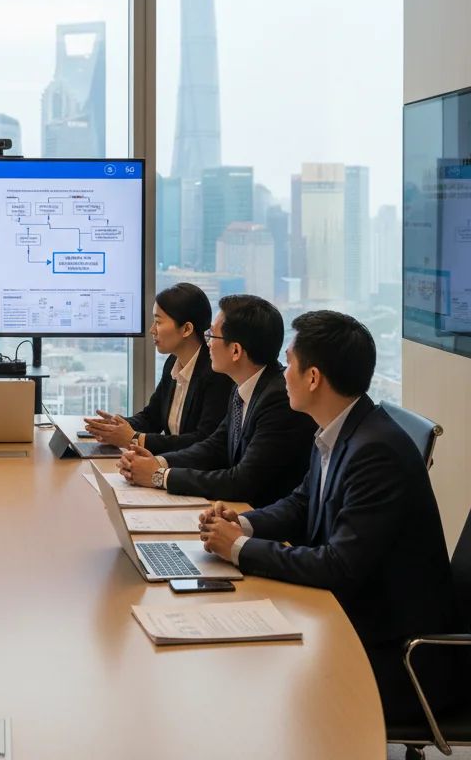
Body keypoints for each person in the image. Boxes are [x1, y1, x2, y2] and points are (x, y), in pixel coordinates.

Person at [198, 311, 465, 723]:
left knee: (250, 682)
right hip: (354, 624)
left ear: (313, 377)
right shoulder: (340, 427)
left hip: (399, 659)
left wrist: (238, 549)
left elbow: (339, 566)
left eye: (289, 363)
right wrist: (243, 524)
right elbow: (303, 502)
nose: (283, 373)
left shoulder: (376, 452)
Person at [117, 294, 314, 508]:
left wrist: (160, 476)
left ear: (235, 350)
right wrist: (159, 463)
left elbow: (243, 481)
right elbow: (215, 446)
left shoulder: (278, 399)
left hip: (262, 519)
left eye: (212, 335)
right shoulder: (243, 386)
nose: (207, 342)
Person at [84, 283, 233, 453]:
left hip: (191, 471)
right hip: (172, 466)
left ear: (186, 329)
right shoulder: (173, 362)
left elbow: (203, 440)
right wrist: (116, 427)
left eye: (158, 322)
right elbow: (151, 418)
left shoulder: (216, 373)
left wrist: (134, 439)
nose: (152, 330)